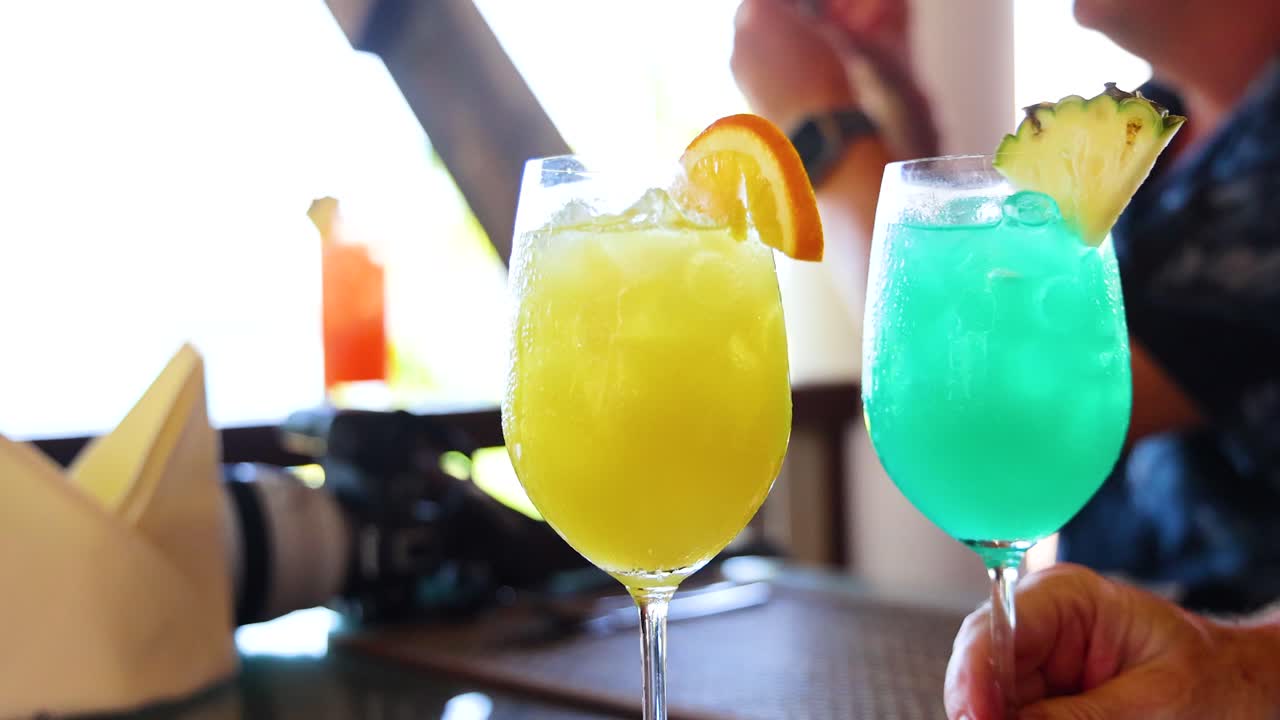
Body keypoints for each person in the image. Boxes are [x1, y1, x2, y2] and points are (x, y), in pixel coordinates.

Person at [731, 0, 1280, 715]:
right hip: (1104, 651)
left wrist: (818, 123)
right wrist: (894, 95)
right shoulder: (1149, 127)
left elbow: (984, 387)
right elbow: (984, 282)